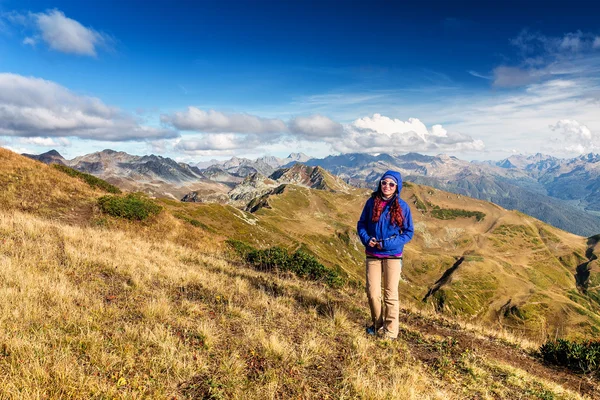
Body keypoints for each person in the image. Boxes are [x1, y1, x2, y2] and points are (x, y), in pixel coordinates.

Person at [357, 170, 414, 339]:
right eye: (384, 182)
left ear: (397, 187)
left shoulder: (403, 207)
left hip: (393, 255)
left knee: (390, 295)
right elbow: (361, 224)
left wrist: (387, 244)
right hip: (372, 253)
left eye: (391, 184)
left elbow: (408, 232)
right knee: (373, 293)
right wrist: (367, 239)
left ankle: (390, 332)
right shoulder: (371, 203)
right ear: (379, 184)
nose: (386, 186)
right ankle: (377, 325)